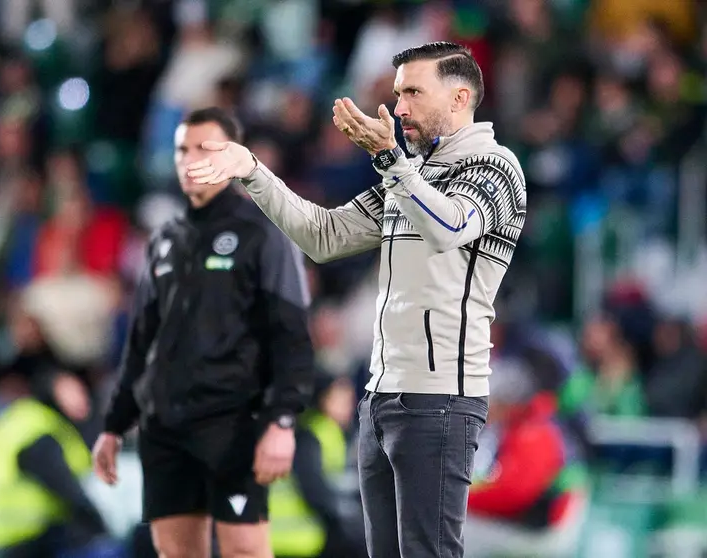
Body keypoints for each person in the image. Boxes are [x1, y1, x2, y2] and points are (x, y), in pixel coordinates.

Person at [185, 42, 527, 557]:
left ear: (460, 98)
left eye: (413, 91)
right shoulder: (409, 175)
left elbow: (448, 227)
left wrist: (392, 161)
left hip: (441, 399)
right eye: (397, 93)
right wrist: (253, 171)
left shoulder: (496, 168)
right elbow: (323, 236)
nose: (400, 107)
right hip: (381, 397)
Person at [93, 107, 315, 558]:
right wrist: (115, 425)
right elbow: (141, 342)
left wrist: (282, 421)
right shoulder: (165, 240)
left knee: (244, 550)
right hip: (165, 428)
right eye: (182, 149)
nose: (190, 159)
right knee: (176, 553)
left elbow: (290, 336)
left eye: (204, 148)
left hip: (232, 425)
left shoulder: (264, 234)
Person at [0, 369, 118, 558]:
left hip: (11, 535)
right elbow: (64, 486)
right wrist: (101, 527)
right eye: (70, 392)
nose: (80, 400)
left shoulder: (26, 419)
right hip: (30, 536)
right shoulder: (38, 430)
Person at [463, 359, 590, 557]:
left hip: (544, 532)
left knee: (460, 530)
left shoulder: (535, 432)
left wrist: (459, 499)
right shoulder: (525, 426)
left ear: (507, 403)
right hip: (534, 521)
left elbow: (513, 493)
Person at [270, 373, 366, 558]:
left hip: (312, 537)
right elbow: (315, 491)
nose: (349, 404)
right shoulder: (310, 435)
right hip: (296, 540)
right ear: (323, 399)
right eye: (340, 398)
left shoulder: (337, 433)